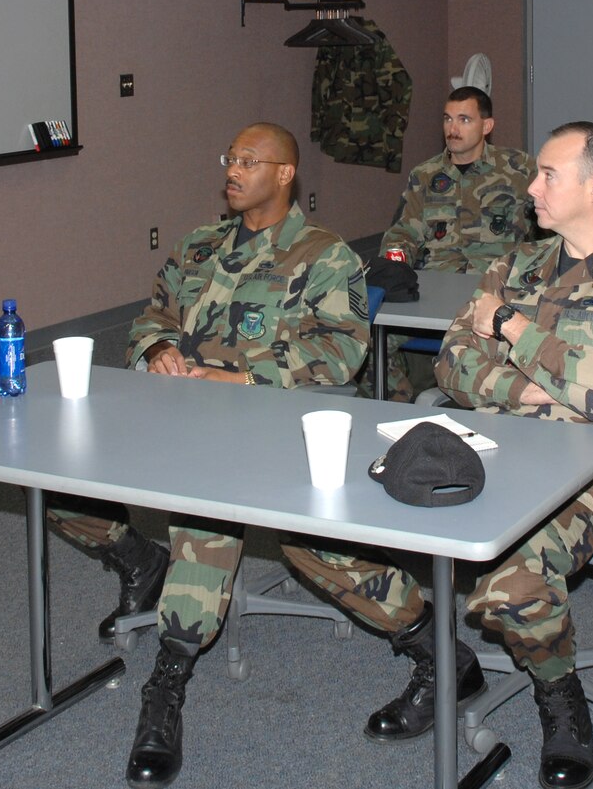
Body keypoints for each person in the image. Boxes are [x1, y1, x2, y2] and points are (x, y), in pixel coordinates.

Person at [283, 122, 593, 789]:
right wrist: (543, 383)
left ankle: (560, 695)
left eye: (548, 175)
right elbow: (453, 362)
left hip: (588, 470)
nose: (531, 187)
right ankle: (438, 652)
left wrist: (511, 325)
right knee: (310, 531)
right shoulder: (516, 263)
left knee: (511, 582)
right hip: (484, 444)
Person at [40, 123, 369, 788]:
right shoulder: (198, 245)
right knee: (56, 482)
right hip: (176, 414)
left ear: (285, 174)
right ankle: (139, 559)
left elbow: (342, 351)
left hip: (269, 426)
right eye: (231, 158)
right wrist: (156, 350)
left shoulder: (324, 255)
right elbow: (150, 317)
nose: (233, 170)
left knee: (202, 516)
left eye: (250, 161)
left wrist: (246, 377)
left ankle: (167, 680)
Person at [376, 85, 534, 400]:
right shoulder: (426, 174)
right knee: (364, 342)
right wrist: (394, 269)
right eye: (448, 119)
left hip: (493, 291)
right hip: (433, 287)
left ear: (486, 126)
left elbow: (548, 228)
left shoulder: (519, 170)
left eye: (464, 120)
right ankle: (405, 412)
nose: (453, 129)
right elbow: (404, 231)